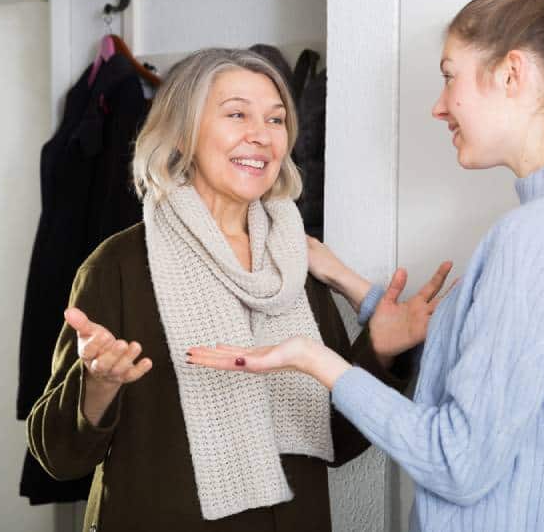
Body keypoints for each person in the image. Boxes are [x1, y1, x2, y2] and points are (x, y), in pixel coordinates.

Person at [189, 0, 544, 532]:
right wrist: (344, 277)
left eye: (450, 76)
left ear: (512, 74)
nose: (438, 106)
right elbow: (501, 367)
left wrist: (319, 361)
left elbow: (457, 462)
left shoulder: (533, 240)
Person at [26, 47, 451, 532]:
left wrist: (378, 352)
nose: (261, 136)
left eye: (275, 119)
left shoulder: (298, 265)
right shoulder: (119, 267)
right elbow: (59, 458)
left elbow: (335, 441)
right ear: (183, 132)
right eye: (236, 114)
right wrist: (97, 386)